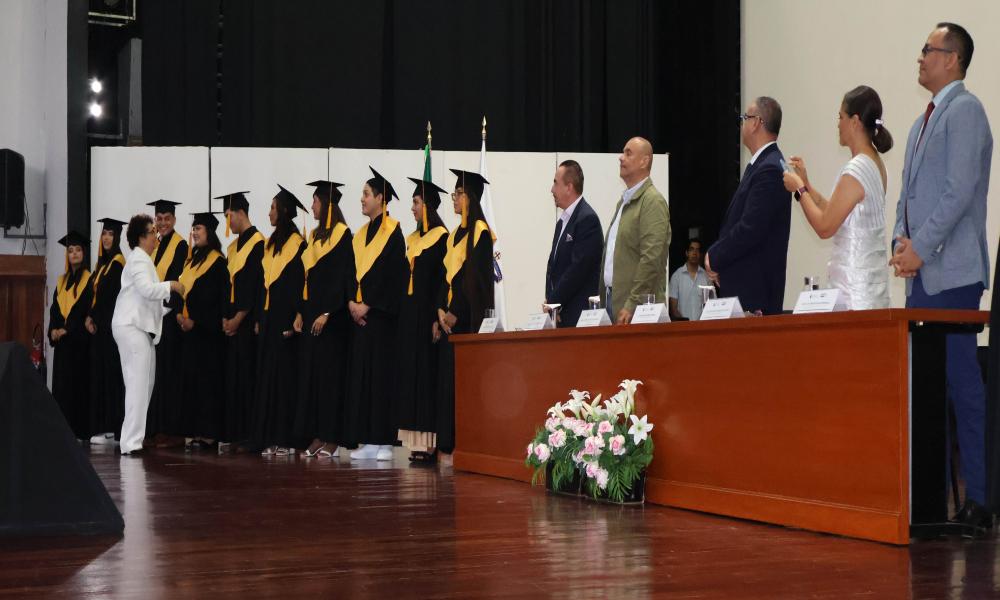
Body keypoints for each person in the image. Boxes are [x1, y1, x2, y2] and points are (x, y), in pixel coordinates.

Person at [888, 23, 993, 533]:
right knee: (926, 387)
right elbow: (907, 197)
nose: (920, 57)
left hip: (952, 273)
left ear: (952, 59)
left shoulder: (966, 111)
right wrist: (899, 244)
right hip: (922, 276)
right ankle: (927, 502)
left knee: (960, 382)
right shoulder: (920, 123)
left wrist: (921, 249)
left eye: (928, 50)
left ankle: (981, 499)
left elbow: (959, 191)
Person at [782, 86, 892, 310]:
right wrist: (807, 185)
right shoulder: (874, 163)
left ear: (855, 121)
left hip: (854, 291)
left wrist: (799, 190)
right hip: (869, 290)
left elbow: (825, 227)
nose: (838, 124)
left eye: (840, 117)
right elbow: (836, 212)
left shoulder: (857, 169)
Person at [345, 168, 408, 461]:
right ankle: (368, 440)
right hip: (360, 319)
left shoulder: (393, 232)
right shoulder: (359, 235)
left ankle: (384, 442)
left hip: (381, 319)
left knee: (381, 378)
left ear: (381, 198)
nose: (362, 199)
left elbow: (392, 277)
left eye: (367, 194)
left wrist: (368, 304)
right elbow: (349, 272)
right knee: (364, 378)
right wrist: (351, 303)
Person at [705, 97, 790, 315]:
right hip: (747, 291)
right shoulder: (763, 165)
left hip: (754, 296)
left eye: (745, 117)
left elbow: (751, 228)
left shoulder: (769, 169)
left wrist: (714, 256)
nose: (742, 123)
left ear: (756, 123)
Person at [435, 169, 496, 459]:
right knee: (447, 384)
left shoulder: (480, 233)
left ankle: (464, 444)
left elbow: (475, 282)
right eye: (454, 193)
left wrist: (455, 312)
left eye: (459, 194)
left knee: (463, 384)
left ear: (470, 197)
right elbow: (445, 277)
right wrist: (440, 310)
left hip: (466, 321)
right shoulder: (453, 235)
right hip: (448, 320)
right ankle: (447, 443)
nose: (454, 199)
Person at [112, 214, 184, 455]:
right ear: (142, 237)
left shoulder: (142, 260)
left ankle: (133, 440)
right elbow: (146, 289)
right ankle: (131, 443)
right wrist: (171, 285)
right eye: (153, 231)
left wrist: (169, 307)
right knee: (137, 384)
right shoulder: (139, 259)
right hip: (132, 327)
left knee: (145, 384)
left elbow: (147, 299)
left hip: (137, 327)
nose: (157, 235)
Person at [293, 180, 355, 459]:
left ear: (327, 204)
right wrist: (300, 311)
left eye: (315, 201)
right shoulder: (314, 237)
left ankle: (332, 437)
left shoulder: (343, 235)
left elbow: (344, 278)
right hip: (310, 317)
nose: (312, 206)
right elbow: (305, 278)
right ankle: (317, 433)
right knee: (314, 379)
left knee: (330, 380)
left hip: (333, 322)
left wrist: (328, 312)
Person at [393, 176, 449, 463]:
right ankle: (414, 441)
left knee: (426, 378)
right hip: (409, 318)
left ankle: (430, 443)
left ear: (428, 205)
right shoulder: (412, 239)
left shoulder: (442, 238)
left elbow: (443, 280)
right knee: (411, 377)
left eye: (416, 202)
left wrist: (436, 317)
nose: (412, 208)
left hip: (428, 318)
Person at [251, 186, 307, 457]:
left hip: (286, 320)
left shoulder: (298, 244)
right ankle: (268, 436)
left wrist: (298, 314)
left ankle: (285, 438)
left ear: (284, 211)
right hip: (269, 319)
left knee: (284, 381)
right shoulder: (270, 244)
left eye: (273, 208)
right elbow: (263, 284)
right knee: (268, 380)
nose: (269, 213)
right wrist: (259, 317)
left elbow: (300, 284)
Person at [598, 137, 670, 324]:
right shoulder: (624, 202)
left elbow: (651, 258)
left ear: (644, 161)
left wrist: (632, 303)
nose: (621, 157)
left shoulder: (652, 201)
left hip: (638, 311)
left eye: (628, 153)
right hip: (613, 303)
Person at [175, 212, 230, 449]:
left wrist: (196, 322)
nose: (195, 233)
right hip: (190, 335)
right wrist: (179, 314)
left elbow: (217, 301)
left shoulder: (218, 263)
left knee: (208, 384)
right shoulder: (191, 262)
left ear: (209, 232)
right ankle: (196, 431)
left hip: (208, 335)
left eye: (199, 228)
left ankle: (209, 434)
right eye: (194, 228)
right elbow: (182, 292)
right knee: (193, 383)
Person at [219, 191, 264, 452]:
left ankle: (249, 435)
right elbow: (228, 286)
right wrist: (225, 317)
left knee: (248, 378)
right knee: (233, 379)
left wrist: (238, 318)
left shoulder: (258, 243)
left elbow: (254, 285)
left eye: (229, 216)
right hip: (232, 325)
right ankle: (235, 433)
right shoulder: (233, 248)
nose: (227, 222)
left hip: (247, 325)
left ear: (241, 213)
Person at [144, 199, 188, 447]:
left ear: (174, 219)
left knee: (169, 373)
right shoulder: (156, 245)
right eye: (159, 219)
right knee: (155, 373)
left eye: (166, 219)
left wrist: (164, 309)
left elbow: (177, 280)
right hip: (154, 318)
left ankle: (170, 429)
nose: (162, 223)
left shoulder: (180, 245)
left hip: (169, 318)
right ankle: (154, 427)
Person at [545, 160, 603, 327]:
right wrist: (551, 303)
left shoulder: (587, 219)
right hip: (560, 315)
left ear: (569, 187)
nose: (552, 189)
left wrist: (554, 302)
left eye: (555, 183)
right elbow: (553, 268)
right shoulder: (561, 223)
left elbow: (577, 270)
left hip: (578, 318)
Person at [48, 231, 93, 441]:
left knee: (78, 388)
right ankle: (62, 432)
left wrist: (68, 329)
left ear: (83, 253)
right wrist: (54, 329)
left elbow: (83, 308)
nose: (74, 254)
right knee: (62, 388)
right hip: (63, 346)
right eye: (70, 250)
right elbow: (55, 310)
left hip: (79, 345)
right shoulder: (61, 281)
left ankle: (79, 431)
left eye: (78, 250)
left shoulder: (89, 280)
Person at [86, 218, 127, 444]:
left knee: (112, 377)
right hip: (100, 330)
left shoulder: (118, 263)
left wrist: (93, 316)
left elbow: (108, 295)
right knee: (101, 377)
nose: (106, 238)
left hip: (110, 329)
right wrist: (90, 317)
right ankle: (103, 426)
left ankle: (114, 428)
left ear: (117, 237)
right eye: (104, 234)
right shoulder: (103, 264)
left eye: (111, 234)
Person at [668, 238, 710, 321]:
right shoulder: (677, 276)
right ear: (687, 253)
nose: (694, 253)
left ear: (700, 254)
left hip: (704, 326)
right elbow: (673, 309)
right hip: (683, 326)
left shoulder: (706, 276)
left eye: (697, 250)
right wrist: (685, 324)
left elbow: (712, 304)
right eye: (692, 249)